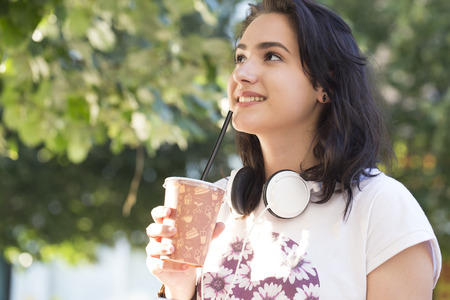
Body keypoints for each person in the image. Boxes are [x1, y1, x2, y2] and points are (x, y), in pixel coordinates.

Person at [145, 0, 442, 299]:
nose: (241, 74)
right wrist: (179, 287)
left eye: (271, 56)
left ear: (325, 85)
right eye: (240, 57)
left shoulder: (382, 208)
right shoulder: (217, 207)